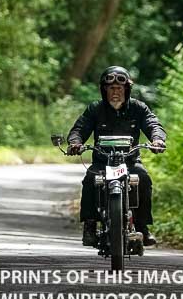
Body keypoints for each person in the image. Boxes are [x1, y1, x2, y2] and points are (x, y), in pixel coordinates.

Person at [66, 66, 166, 247]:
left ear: (126, 89)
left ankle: (142, 226)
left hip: (130, 161)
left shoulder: (138, 108)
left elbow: (153, 124)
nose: (115, 92)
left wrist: (157, 140)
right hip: (102, 162)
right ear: (104, 90)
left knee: (143, 178)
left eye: (119, 88)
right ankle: (90, 225)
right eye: (111, 88)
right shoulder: (95, 109)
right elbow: (79, 129)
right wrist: (75, 143)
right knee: (90, 179)